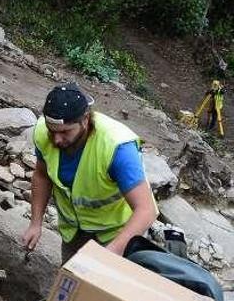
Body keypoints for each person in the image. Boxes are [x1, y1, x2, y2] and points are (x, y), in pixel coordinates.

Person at [21, 83, 158, 262]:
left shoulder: (117, 148)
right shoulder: (43, 132)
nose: (56, 139)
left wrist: (113, 252)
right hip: (74, 232)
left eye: (65, 132)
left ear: (85, 119)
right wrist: (36, 223)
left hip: (116, 233)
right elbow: (42, 175)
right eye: (51, 130)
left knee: (105, 287)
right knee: (71, 284)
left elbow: (146, 210)